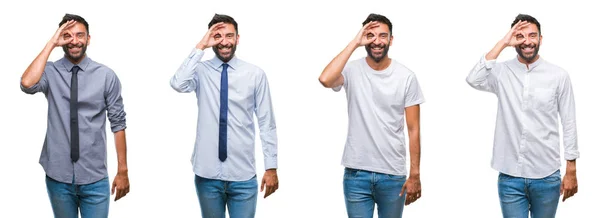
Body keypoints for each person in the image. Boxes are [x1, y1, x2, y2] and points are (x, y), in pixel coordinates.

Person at [466, 14, 579, 218]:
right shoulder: (501, 72)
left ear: (540, 39)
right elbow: (473, 78)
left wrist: (571, 169)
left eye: (532, 36)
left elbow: (569, 122)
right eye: (520, 36)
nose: (527, 41)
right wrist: (503, 42)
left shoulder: (558, 75)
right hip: (510, 178)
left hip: (546, 176)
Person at [20, 13, 130, 218]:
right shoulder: (50, 72)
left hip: (95, 178)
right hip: (58, 177)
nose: (74, 41)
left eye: (80, 35)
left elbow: (118, 124)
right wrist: (51, 43)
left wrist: (122, 170)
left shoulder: (106, 75)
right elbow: (27, 84)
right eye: (68, 35)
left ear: (88, 39)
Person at [170, 14, 279, 218]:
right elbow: (177, 83)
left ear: (238, 38)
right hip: (207, 175)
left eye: (229, 36)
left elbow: (267, 123)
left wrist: (271, 167)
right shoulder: (200, 71)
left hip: (243, 176)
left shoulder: (255, 74)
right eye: (218, 36)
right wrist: (201, 46)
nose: (224, 42)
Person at [318, 13, 423, 218]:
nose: (377, 41)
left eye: (383, 36)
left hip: (393, 175)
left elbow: (413, 129)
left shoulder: (406, 77)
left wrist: (415, 174)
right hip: (356, 174)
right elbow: (325, 79)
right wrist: (355, 42)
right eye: (371, 35)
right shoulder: (350, 70)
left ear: (391, 40)